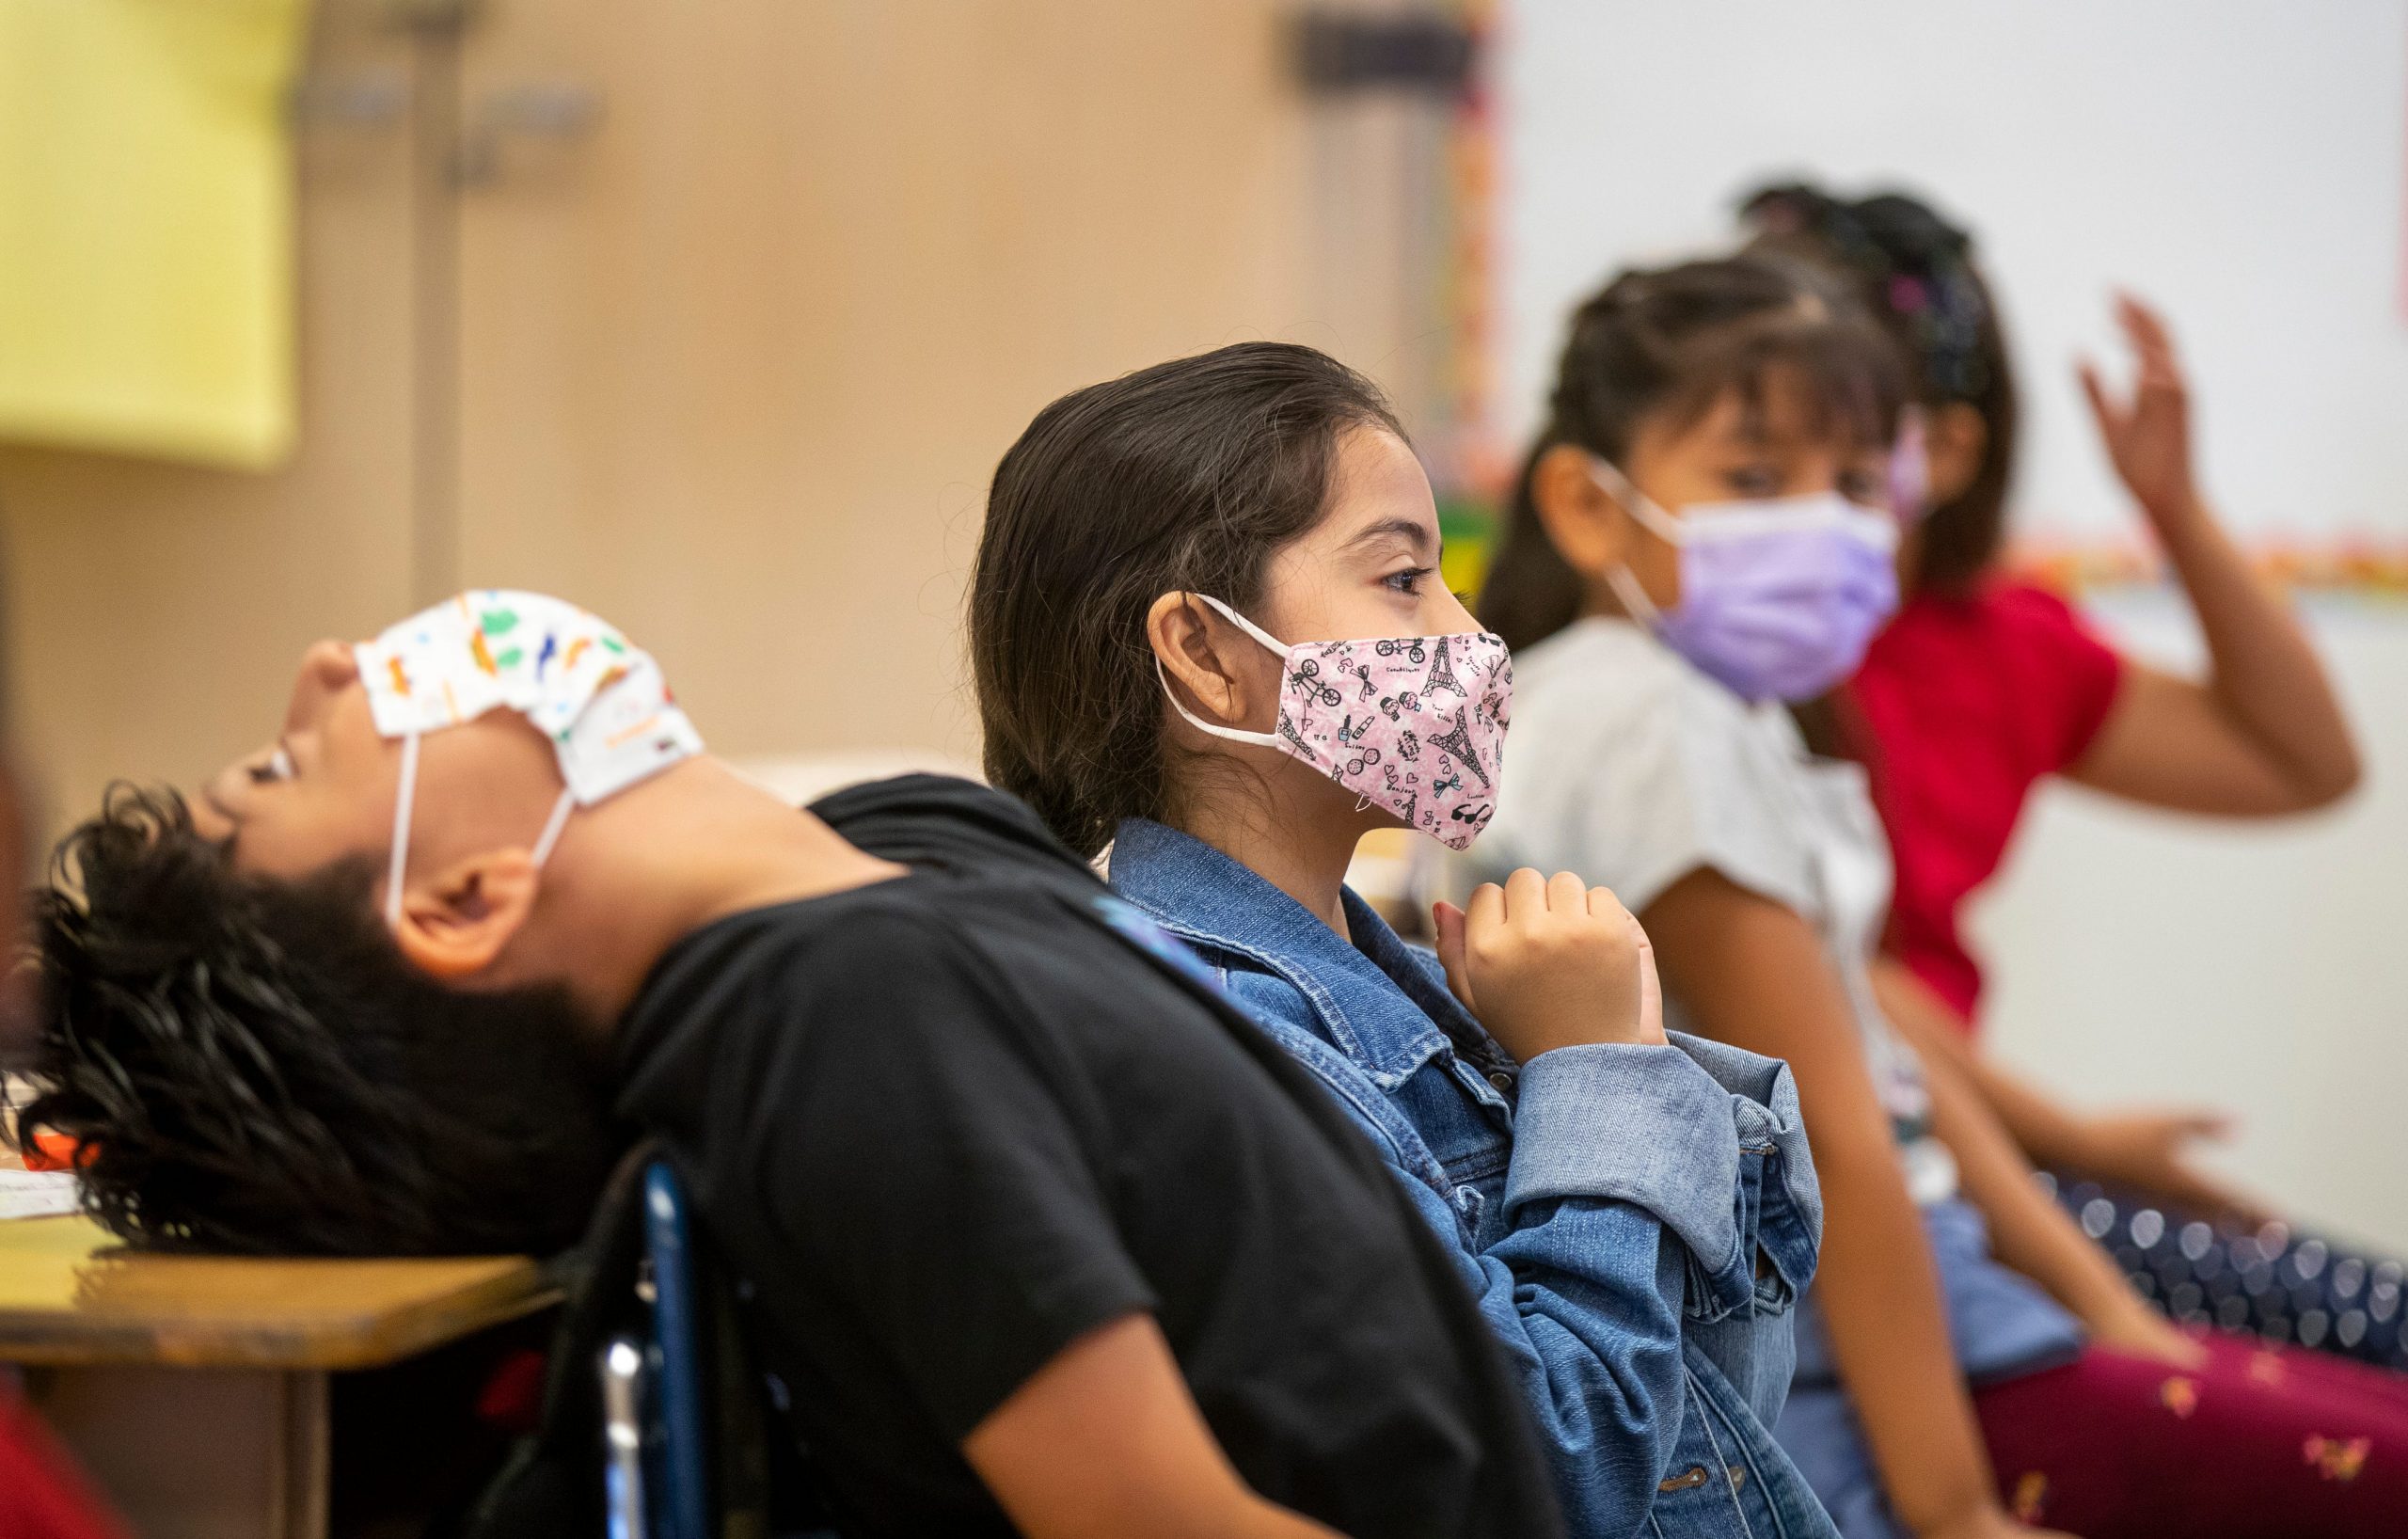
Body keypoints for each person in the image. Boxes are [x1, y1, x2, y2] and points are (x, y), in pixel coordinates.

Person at [9, 590, 1566, 1539]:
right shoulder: (833, 1030)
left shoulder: (895, 863)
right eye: (285, 770)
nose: (332, 667)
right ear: (465, 899)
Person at [1473, 252, 2408, 1538]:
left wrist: (2113, 1316)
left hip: (1916, 1307)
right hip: (1847, 1364)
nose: (1823, 523)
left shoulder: (1695, 707)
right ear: (1588, 505)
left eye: (1858, 482)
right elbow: (1847, 1150)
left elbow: (1876, 1069)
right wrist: (1955, 1510)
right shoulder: (1651, 725)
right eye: (1753, 480)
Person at [970, 340, 1838, 1539]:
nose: (1469, 638)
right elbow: (1560, 1472)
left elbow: (1703, 1425)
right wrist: (1598, 1076)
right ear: (1208, 656)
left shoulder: (1410, 993)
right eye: (1401, 581)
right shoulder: (1227, 1042)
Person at [1738, 182, 2393, 1369]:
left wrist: (2173, 510)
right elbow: (1833, 980)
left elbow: (2303, 764)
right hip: (1897, 1172)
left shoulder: (1997, 642)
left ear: (1943, 447)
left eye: (1825, 425)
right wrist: (2077, 1144)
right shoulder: (1742, 644)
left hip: (1972, 1152)